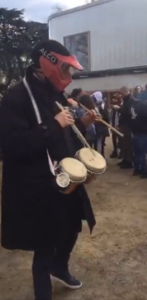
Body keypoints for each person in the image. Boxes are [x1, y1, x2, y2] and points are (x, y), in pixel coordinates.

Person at [0, 40, 97, 300]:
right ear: (48, 66)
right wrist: (52, 125)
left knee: (73, 226)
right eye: (65, 69)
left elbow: (63, 137)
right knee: (45, 243)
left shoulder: (55, 95)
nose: (68, 76)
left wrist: (83, 125)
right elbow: (10, 146)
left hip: (64, 176)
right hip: (36, 184)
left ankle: (60, 266)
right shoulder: (16, 98)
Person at [118, 86, 134, 169]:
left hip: (127, 125)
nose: (120, 95)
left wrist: (119, 109)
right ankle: (125, 159)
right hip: (124, 124)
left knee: (127, 143)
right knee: (123, 143)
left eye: (121, 93)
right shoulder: (126, 100)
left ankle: (129, 161)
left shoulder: (130, 100)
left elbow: (128, 112)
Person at [92, 91, 109, 157]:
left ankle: (101, 158)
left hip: (101, 128)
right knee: (97, 144)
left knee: (100, 144)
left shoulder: (103, 106)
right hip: (97, 128)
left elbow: (106, 118)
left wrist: (100, 116)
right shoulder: (95, 106)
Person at [110, 93, 122, 158]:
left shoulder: (120, 107)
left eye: (115, 98)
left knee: (120, 140)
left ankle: (121, 152)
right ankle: (115, 152)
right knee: (114, 140)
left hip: (119, 126)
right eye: (113, 98)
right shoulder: (113, 108)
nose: (113, 100)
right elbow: (112, 117)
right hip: (114, 126)